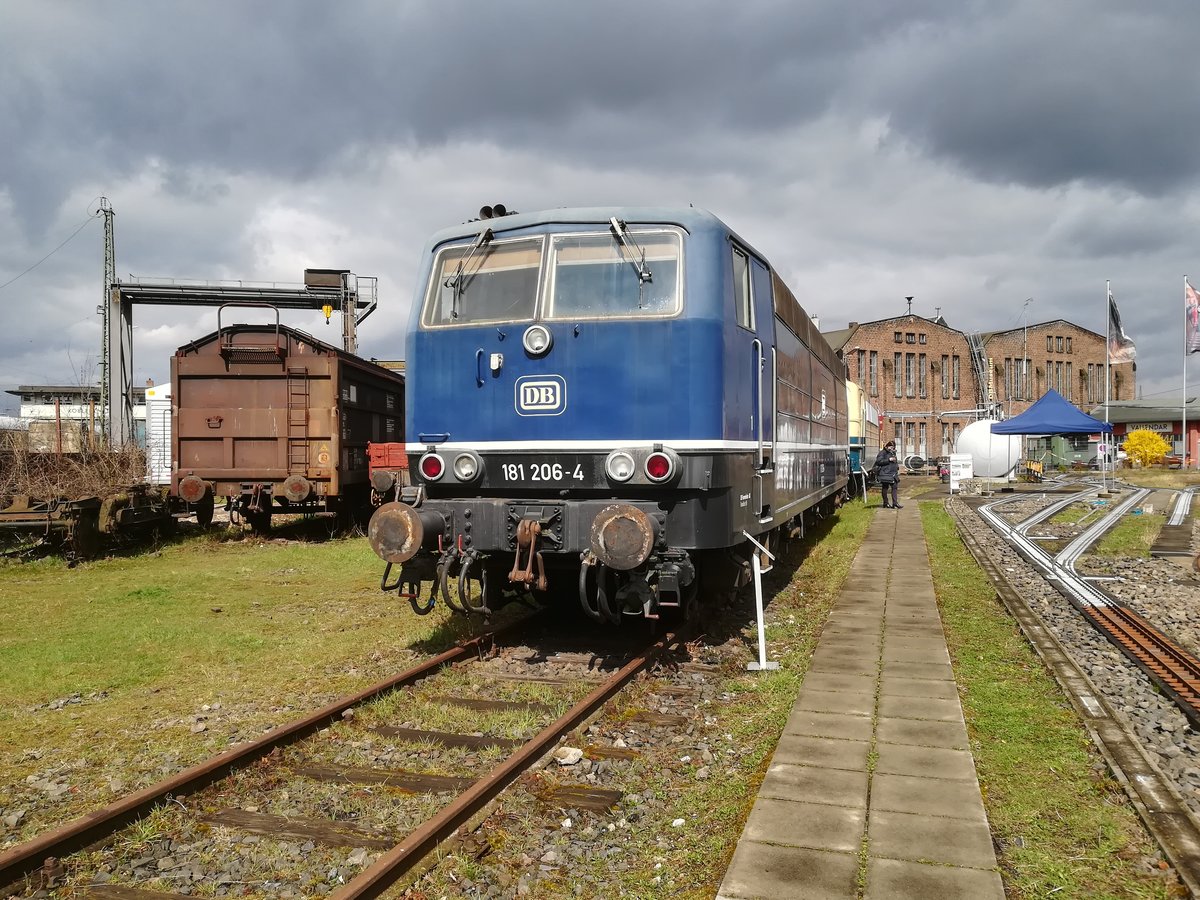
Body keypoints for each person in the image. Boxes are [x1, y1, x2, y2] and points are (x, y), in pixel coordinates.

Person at [873, 440, 902, 508]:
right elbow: (879, 461)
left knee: (894, 487)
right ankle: (885, 503)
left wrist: (897, 467)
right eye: (891, 447)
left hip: (893, 473)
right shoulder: (882, 453)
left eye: (893, 447)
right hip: (885, 473)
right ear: (887, 446)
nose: (892, 448)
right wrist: (889, 459)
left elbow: (895, 461)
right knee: (885, 488)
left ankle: (895, 503)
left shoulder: (893, 453)